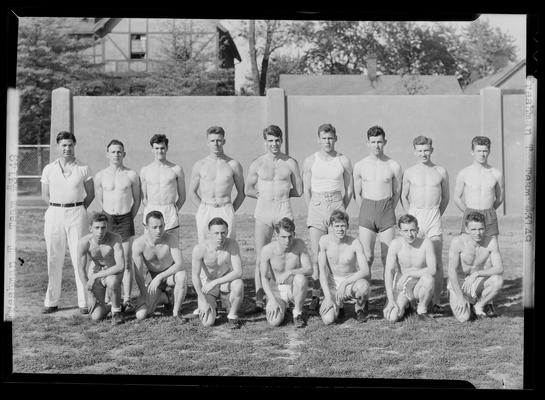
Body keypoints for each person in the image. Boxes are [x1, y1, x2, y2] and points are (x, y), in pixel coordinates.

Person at [245, 125, 303, 311]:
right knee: (261, 254)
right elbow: (248, 189)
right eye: (270, 140)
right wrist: (263, 195)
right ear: (265, 142)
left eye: (277, 140)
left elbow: (299, 189)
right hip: (263, 211)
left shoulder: (290, 162)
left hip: (283, 209)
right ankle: (260, 294)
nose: (274, 144)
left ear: (281, 140)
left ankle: (290, 293)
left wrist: (282, 193)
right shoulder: (257, 163)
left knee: (288, 253)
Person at [40, 131, 95, 314]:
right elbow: (45, 195)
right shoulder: (49, 169)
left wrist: (78, 208)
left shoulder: (84, 168)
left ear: (74, 145)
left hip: (77, 213)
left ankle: (84, 302)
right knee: (54, 257)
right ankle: (51, 301)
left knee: (79, 257)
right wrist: (58, 208)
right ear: (58, 146)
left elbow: (91, 194)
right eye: (63, 145)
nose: (67, 148)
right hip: (55, 213)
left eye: (70, 145)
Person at [302, 123, 353, 312]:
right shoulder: (310, 160)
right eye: (324, 138)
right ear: (318, 139)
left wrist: (340, 208)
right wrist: (312, 207)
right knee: (317, 254)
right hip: (316, 204)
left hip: (336, 202)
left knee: (334, 252)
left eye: (330, 138)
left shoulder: (343, 160)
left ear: (336, 138)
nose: (327, 141)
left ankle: (334, 293)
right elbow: (306, 188)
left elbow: (349, 188)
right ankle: (316, 294)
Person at [400, 136, 449, 313]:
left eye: (426, 150)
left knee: (436, 261)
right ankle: (410, 299)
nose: (423, 154)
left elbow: (446, 198)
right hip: (415, 215)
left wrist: (436, 214)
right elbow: (403, 196)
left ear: (432, 150)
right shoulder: (410, 172)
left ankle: (435, 301)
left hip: (433, 216)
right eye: (420, 150)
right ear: (415, 151)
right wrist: (411, 216)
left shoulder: (441, 171)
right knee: (414, 261)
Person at [94, 139, 141, 312]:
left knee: (127, 261)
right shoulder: (100, 175)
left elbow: (137, 200)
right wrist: (108, 218)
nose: (116, 155)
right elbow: (101, 199)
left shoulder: (131, 175)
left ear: (124, 154)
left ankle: (127, 299)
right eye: (113, 152)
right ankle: (110, 298)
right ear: (107, 154)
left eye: (119, 151)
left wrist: (128, 216)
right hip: (108, 219)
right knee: (109, 260)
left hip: (125, 219)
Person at [353, 126, 402, 283]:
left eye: (379, 142)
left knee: (387, 257)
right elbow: (357, 193)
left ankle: (390, 298)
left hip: (386, 211)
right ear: (368, 143)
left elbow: (397, 193)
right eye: (373, 142)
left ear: (385, 142)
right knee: (366, 257)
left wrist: (387, 210)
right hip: (367, 209)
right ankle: (363, 298)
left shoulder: (393, 165)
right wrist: (367, 209)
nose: (376, 145)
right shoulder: (360, 165)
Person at [189, 126, 245, 244]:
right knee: (205, 246)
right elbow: (192, 192)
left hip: (225, 208)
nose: (216, 144)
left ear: (224, 141)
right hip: (206, 209)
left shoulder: (233, 165)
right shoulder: (200, 165)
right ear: (207, 142)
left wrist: (231, 209)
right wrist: (202, 208)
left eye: (219, 140)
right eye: (212, 141)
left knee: (228, 245)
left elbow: (241, 192)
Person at [447, 211, 503, 322]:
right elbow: (451, 271)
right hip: (459, 282)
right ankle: (458, 298)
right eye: (473, 229)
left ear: (485, 228)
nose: (478, 233)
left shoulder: (491, 241)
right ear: (467, 229)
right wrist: (460, 297)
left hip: (476, 281)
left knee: (498, 281)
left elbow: (499, 268)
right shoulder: (458, 242)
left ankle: (479, 305)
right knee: (464, 318)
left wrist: (476, 274)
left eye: (481, 229)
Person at [132, 211, 188, 320]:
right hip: (152, 277)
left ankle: (176, 312)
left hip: (171, 274)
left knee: (182, 276)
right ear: (146, 226)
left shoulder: (171, 238)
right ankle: (166, 297)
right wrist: (144, 294)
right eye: (154, 227)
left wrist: (160, 277)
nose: (159, 230)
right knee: (141, 315)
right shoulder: (139, 244)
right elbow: (138, 273)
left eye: (161, 226)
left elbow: (179, 264)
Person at [318, 210, 370, 325]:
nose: (340, 229)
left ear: (347, 226)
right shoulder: (324, 241)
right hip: (332, 285)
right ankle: (338, 306)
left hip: (349, 283)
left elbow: (365, 270)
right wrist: (327, 297)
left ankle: (359, 309)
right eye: (337, 226)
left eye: (343, 226)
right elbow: (321, 272)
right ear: (331, 226)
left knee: (364, 286)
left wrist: (344, 283)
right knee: (328, 320)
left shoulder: (355, 242)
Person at [191, 217, 244, 329]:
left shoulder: (232, 244)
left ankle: (232, 315)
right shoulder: (199, 249)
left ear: (227, 232)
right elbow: (195, 277)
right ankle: (213, 305)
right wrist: (202, 300)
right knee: (208, 323)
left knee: (238, 284)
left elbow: (238, 272)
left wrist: (216, 282)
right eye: (216, 233)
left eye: (223, 233)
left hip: (224, 281)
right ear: (209, 233)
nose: (220, 237)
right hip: (208, 284)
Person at [383, 214, 437, 322]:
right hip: (402, 285)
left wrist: (408, 274)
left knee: (429, 279)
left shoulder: (426, 243)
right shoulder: (395, 244)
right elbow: (389, 272)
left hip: (419, 284)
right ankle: (407, 306)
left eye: (412, 230)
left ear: (417, 229)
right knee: (392, 317)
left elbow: (432, 269)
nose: (410, 234)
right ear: (400, 231)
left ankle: (422, 309)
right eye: (406, 231)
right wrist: (391, 299)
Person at [260, 218, 312, 328]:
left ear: (294, 234)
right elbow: (264, 278)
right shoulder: (267, 250)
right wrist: (272, 300)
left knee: (301, 278)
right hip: (277, 290)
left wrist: (290, 272)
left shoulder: (299, 244)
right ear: (276, 235)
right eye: (283, 237)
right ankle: (282, 306)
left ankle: (297, 313)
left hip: (294, 288)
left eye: (290, 236)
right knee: (274, 322)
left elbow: (309, 269)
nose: (287, 241)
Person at [77, 212, 125, 325]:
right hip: (96, 272)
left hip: (112, 271)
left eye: (103, 228)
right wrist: (88, 290)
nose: (100, 232)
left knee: (112, 282)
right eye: (97, 228)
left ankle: (116, 313)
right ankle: (114, 306)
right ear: (90, 228)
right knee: (96, 317)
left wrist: (95, 276)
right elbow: (81, 268)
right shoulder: (84, 243)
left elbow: (120, 266)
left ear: (107, 227)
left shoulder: (115, 238)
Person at [453, 136, 504, 238]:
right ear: (472, 152)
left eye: (485, 151)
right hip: (470, 214)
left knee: (491, 249)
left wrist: (489, 210)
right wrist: (468, 212)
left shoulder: (496, 174)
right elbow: (456, 198)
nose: (482, 154)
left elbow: (500, 198)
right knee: (468, 250)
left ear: (489, 151)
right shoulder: (464, 173)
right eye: (479, 151)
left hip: (489, 215)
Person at [140, 134, 186, 243]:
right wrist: (149, 209)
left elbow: (182, 196)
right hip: (151, 210)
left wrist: (174, 210)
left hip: (170, 211)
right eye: (156, 148)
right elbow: (143, 197)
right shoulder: (145, 170)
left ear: (167, 148)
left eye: (162, 148)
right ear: (152, 149)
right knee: (150, 247)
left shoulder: (176, 169)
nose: (159, 151)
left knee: (172, 246)